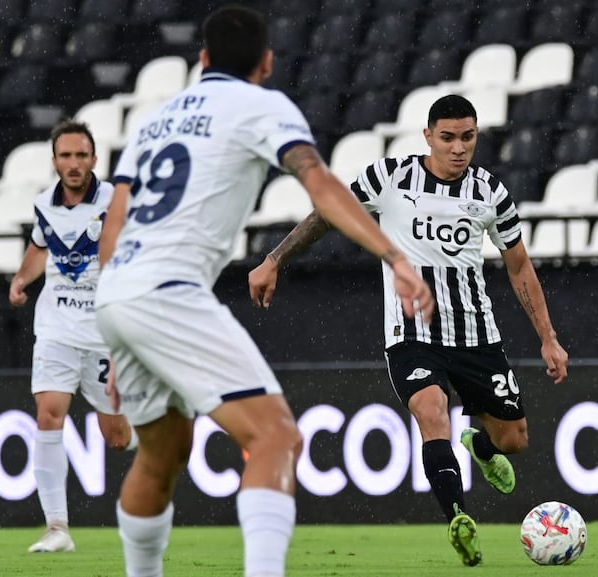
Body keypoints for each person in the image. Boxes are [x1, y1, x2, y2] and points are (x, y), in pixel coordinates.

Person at [94, 6, 433, 577]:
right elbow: (320, 182)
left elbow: (115, 223)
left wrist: (115, 336)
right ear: (267, 62)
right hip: (170, 291)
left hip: (118, 295)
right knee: (276, 436)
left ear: (202, 60)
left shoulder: (153, 122)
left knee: (163, 451)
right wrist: (394, 254)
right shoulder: (262, 105)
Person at [248, 94, 569, 567]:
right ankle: (458, 516)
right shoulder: (390, 178)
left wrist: (548, 337)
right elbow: (329, 211)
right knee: (430, 408)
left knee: (514, 440)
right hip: (412, 332)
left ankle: (478, 444)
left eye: (468, 137)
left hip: (476, 335)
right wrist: (275, 259)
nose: (458, 148)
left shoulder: (490, 193)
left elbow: (519, 268)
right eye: (448, 138)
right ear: (427, 137)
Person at [9, 119, 137, 553]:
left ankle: (148, 418)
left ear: (94, 160)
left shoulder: (116, 201)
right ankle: (57, 528)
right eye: (66, 155)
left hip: (103, 333)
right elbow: (39, 247)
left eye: (81, 155)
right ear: (54, 161)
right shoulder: (44, 204)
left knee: (117, 439)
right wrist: (22, 279)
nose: (74, 163)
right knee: (49, 413)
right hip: (57, 328)